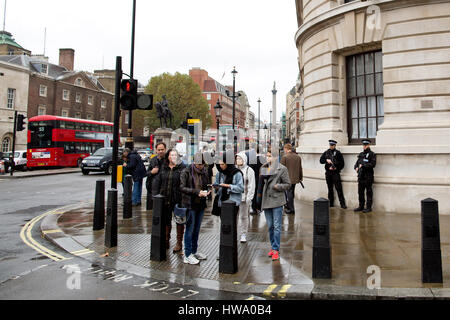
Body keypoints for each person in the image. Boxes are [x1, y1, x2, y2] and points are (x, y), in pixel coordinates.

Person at [259, 149, 291, 261]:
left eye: (270, 156)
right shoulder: (264, 168)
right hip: (267, 200)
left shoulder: (282, 168)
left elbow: (288, 184)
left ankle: (276, 249)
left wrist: (278, 186)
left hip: (277, 200)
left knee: (277, 226)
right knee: (270, 226)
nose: (268, 158)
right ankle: (273, 247)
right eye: (267, 156)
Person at [152, 149, 186, 253]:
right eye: (171, 155)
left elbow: (185, 184)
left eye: (175, 155)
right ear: (168, 157)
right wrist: (155, 196)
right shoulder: (163, 168)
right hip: (164, 198)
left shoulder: (183, 168)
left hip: (178, 199)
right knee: (166, 220)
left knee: (179, 221)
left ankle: (179, 242)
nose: (173, 157)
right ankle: (166, 239)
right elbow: (157, 182)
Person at [180, 152, 211, 265]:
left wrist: (208, 191)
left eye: (202, 164)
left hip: (200, 204)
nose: (200, 166)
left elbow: (206, 184)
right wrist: (197, 192)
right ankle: (187, 254)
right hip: (190, 204)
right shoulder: (186, 171)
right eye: (198, 164)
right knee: (189, 229)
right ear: (194, 162)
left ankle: (194, 251)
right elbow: (182, 188)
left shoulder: (205, 172)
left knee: (196, 229)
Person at [320, 140, 347, 209]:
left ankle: (342, 203)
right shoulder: (326, 153)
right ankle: (331, 203)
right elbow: (321, 160)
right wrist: (326, 160)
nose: (331, 146)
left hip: (335, 173)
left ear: (335, 146)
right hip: (328, 173)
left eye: (332, 145)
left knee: (339, 189)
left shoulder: (338, 153)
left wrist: (336, 168)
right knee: (330, 189)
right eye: (330, 145)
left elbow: (342, 164)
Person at [235, 152, 255, 243]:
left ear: (244, 160)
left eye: (240, 159)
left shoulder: (249, 170)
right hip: (234, 198)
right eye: (237, 159)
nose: (238, 160)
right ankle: (234, 233)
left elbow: (251, 185)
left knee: (243, 217)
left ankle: (243, 234)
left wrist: (249, 198)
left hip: (244, 198)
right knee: (234, 216)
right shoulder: (234, 169)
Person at [354, 139, 377, 213]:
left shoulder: (372, 154)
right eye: (363, 145)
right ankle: (361, 206)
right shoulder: (361, 154)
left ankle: (368, 207)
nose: (364, 146)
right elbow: (357, 163)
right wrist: (356, 167)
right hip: (361, 176)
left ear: (369, 145)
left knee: (369, 192)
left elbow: (372, 164)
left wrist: (363, 165)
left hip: (368, 177)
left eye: (366, 145)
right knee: (360, 192)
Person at [280, 143, 303, 215]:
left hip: (287, 179)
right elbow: (300, 168)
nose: (284, 151)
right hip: (295, 179)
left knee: (289, 193)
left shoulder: (285, 157)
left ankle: (291, 209)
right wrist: (300, 178)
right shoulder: (298, 157)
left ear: (286, 149)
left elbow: (281, 169)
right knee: (291, 193)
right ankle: (289, 206)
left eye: (284, 149)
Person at [146, 142, 167, 207]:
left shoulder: (169, 159)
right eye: (159, 150)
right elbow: (147, 173)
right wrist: (151, 172)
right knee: (155, 210)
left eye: (162, 149)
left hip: (165, 189)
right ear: (156, 150)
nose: (160, 151)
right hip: (154, 189)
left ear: (165, 149)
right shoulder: (153, 160)